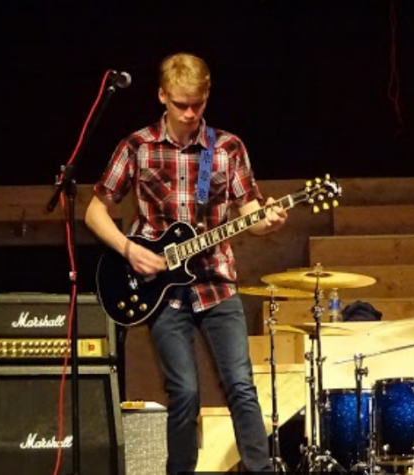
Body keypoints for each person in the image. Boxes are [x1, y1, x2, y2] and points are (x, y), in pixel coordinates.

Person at [85, 52, 287, 475]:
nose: (190, 112)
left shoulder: (228, 148)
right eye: (180, 104)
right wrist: (128, 249)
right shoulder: (137, 146)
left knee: (241, 387)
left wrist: (267, 221)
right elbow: (94, 211)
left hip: (216, 282)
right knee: (184, 392)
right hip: (162, 291)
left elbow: (250, 212)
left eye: (198, 103)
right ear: (162, 96)